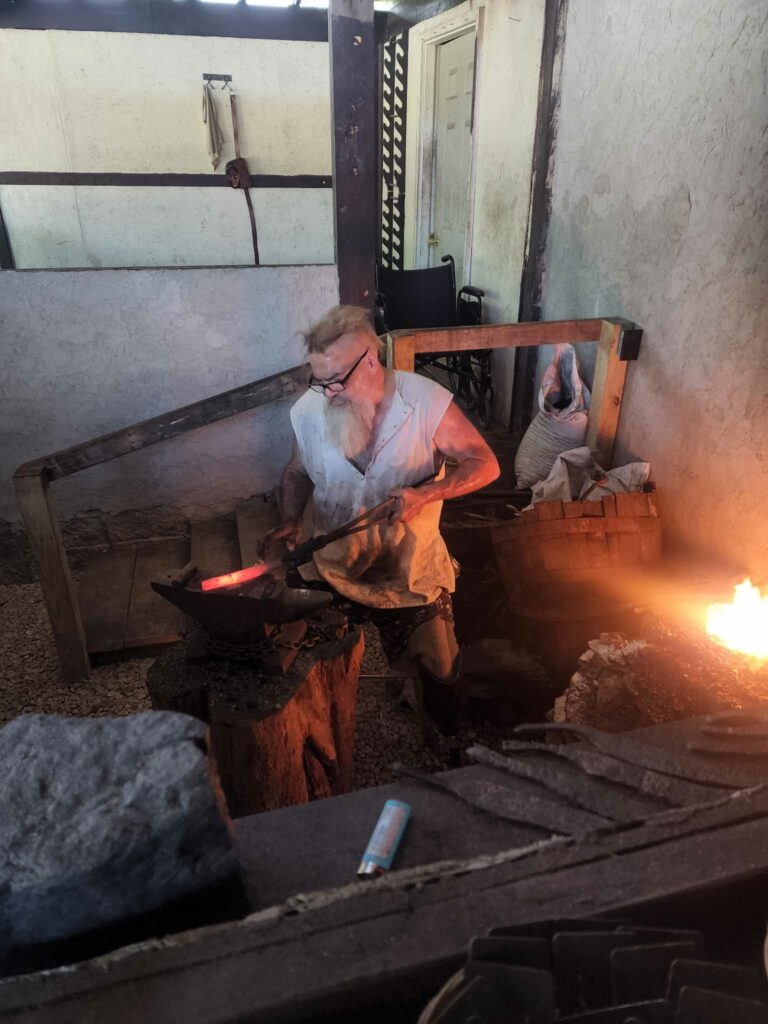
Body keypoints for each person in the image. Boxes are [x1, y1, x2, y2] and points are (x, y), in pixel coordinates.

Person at [262, 305, 500, 736]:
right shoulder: (310, 411)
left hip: (407, 573)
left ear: (370, 359)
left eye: (336, 380)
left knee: (441, 678)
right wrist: (292, 518)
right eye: (319, 380)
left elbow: (485, 463)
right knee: (288, 669)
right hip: (330, 563)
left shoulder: (426, 404)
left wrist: (428, 493)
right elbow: (296, 472)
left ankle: (440, 748)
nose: (328, 392)